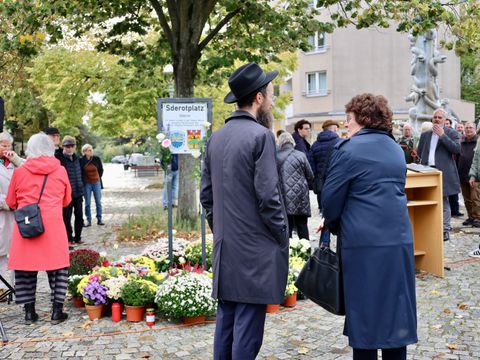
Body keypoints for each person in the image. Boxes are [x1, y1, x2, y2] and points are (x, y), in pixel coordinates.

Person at [200, 62, 288, 359]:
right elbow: (269, 197)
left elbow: (206, 197)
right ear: (259, 98)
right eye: (270, 93)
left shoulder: (217, 137)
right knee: (247, 334)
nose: (272, 99)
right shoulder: (260, 136)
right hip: (254, 251)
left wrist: (223, 229)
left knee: (226, 326)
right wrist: (280, 236)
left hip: (226, 248)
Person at [321, 94, 417, 360]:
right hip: (398, 240)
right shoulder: (396, 150)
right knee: (396, 312)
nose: (345, 124)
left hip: (363, 244)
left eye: (349, 119)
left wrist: (336, 225)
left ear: (364, 119)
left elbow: (330, 201)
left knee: (365, 316)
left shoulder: (348, 150)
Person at [6, 133, 71, 324]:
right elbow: (66, 200)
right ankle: (57, 312)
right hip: (53, 224)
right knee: (58, 268)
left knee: (25, 268)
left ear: (30, 149)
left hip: (27, 223)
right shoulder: (60, 170)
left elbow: (11, 201)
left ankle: (29, 313)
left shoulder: (20, 171)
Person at [417, 108, 461, 241]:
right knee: (426, 199)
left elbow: (456, 149)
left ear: (444, 120)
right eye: (435, 117)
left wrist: (442, 136)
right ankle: (429, 227)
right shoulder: (426, 135)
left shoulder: (451, 133)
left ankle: (445, 229)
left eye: (439, 117)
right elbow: (419, 151)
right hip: (427, 171)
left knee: (443, 201)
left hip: (443, 172)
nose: (436, 119)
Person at [308, 120, 340, 247]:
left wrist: (316, 178)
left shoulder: (315, 145)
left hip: (322, 184)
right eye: (335, 128)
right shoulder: (339, 143)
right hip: (336, 182)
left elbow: (311, 165)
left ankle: (324, 242)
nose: (336, 131)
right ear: (331, 129)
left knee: (325, 212)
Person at [277, 132, 314, 239]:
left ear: (280, 143)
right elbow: (310, 176)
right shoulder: (301, 155)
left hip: (284, 199)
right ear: (292, 142)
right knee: (302, 226)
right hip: (301, 198)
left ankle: (287, 254)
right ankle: (306, 253)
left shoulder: (276, 157)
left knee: (286, 228)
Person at [0, 131, 23, 300]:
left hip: (17, 213)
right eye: (3, 145)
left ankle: (18, 286)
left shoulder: (15, 162)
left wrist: (16, 159)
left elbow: (30, 171)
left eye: (9, 145)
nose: (7, 148)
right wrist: (6, 202)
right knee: (1, 252)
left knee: (17, 250)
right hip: (2, 213)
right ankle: (1, 288)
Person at [58, 135, 84, 246]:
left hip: (78, 193)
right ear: (63, 147)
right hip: (66, 194)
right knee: (66, 218)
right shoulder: (60, 159)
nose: (69, 148)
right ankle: (69, 238)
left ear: (74, 147)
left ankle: (78, 237)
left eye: (71, 146)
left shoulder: (78, 159)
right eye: (67, 146)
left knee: (79, 216)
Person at [458, 123, 479, 227]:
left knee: (475, 198)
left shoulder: (478, 141)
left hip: (475, 176)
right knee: (467, 199)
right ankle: (471, 217)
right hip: (463, 174)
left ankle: (477, 218)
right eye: (466, 128)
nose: (468, 129)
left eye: (471, 128)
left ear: (475, 129)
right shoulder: (461, 142)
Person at [80, 144, 104, 226]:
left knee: (98, 202)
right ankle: (88, 220)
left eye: (91, 150)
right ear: (84, 152)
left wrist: (97, 178)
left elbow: (101, 170)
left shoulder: (96, 159)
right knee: (87, 203)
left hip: (96, 182)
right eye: (89, 150)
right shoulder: (81, 160)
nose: (91, 151)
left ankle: (99, 219)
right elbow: (81, 172)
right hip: (87, 184)